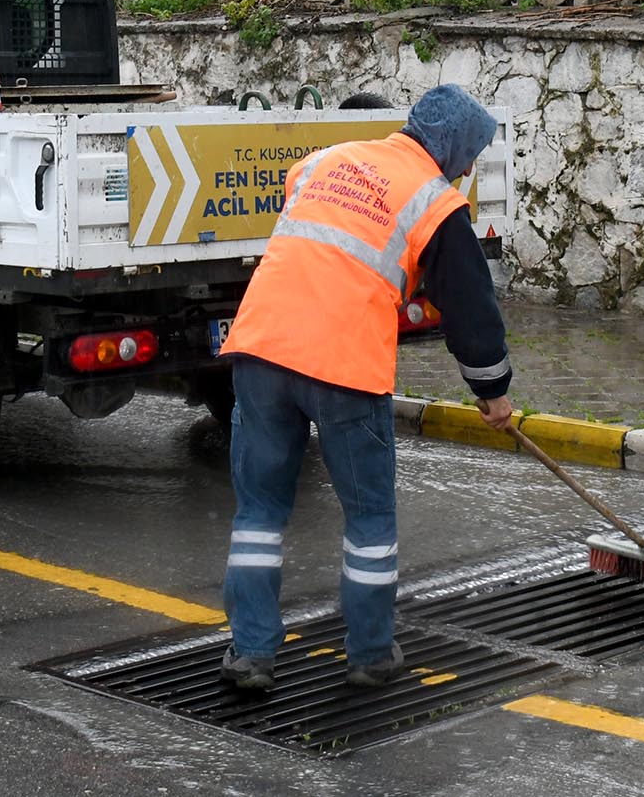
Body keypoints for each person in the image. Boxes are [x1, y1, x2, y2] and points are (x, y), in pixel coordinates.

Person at [216, 84, 514, 692]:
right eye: (472, 153)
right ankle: (372, 654)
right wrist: (494, 393)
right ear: (453, 146)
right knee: (369, 516)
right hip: (344, 365)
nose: (471, 166)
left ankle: (251, 654)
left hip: (261, 346)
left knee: (259, 513)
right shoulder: (435, 201)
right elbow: (470, 310)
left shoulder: (326, 160)